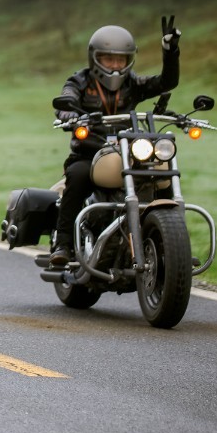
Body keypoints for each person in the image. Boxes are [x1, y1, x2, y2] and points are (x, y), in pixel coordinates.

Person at [49, 16, 181, 267]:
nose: (115, 65)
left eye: (121, 59)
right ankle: (64, 244)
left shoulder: (133, 82)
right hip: (90, 153)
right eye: (109, 59)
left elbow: (166, 82)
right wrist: (71, 116)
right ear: (95, 58)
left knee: (163, 172)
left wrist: (170, 51)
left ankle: (173, 245)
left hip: (129, 151)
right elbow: (65, 100)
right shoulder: (79, 81)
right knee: (77, 176)